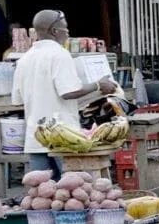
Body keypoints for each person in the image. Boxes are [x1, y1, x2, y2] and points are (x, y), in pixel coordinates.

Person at [11, 10, 118, 178]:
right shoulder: (59, 54)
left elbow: (17, 100)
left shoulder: (24, 59)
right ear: (54, 31)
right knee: (72, 192)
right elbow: (69, 92)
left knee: (43, 195)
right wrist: (98, 85)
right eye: (65, 28)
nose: (68, 32)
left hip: (36, 138)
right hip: (63, 137)